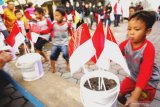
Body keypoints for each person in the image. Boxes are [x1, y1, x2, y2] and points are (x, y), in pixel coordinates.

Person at [118, 11, 160, 106]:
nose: (131, 33)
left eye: (136, 29)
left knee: (135, 104)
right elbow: (114, 53)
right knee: (117, 94)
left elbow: (145, 73)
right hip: (133, 76)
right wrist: (96, 59)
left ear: (147, 31)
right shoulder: (126, 44)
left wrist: (135, 96)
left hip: (148, 81)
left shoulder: (148, 48)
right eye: (129, 29)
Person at [50, 8, 72, 73]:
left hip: (64, 43)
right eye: (55, 15)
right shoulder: (53, 24)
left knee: (66, 54)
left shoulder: (67, 24)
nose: (55, 17)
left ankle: (68, 63)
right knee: (52, 55)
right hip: (56, 43)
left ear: (63, 16)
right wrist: (51, 36)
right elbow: (49, 30)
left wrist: (72, 37)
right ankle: (53, 67)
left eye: (57, 15)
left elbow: (71, 32)